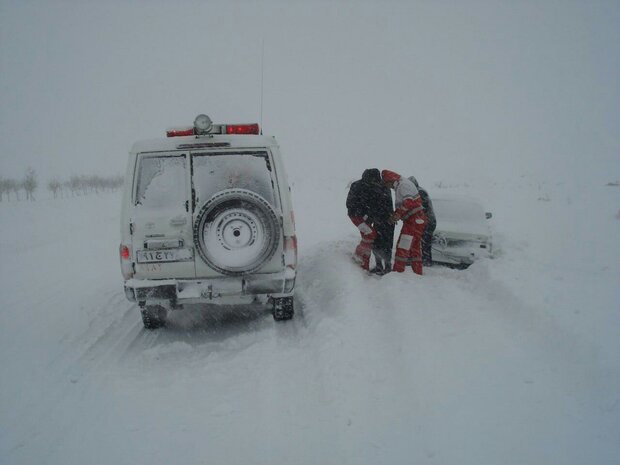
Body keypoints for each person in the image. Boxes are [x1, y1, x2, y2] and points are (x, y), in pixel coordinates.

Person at [346, 169, 394, 273]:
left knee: (369, 239)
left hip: (371, 217)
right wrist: (363, 214)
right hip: (356, 216)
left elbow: (375, 203)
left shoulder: (377, 186)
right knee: (370, 235)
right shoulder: (358, 186)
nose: (375, 183)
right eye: (373, 181)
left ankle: (364, 265)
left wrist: (373, 215)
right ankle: (358, 256)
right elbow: (351, 204)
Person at [382, 169, 426, 275]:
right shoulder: (403, 184)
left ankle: (397, 273)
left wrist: (397, 215)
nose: (389, 188)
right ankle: (417, 273)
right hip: (417, 220)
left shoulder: (403, 185)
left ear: (390, 180)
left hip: (413, 221)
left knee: (402, 247)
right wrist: (396, 213)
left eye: (387, 184)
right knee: (415, 249)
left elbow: (408, 202)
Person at [409, 176, 436, 266]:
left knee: (425, 242)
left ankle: (426, 261)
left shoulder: (420, 192)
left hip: (428, 222)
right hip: (428, 220)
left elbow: (421, 209)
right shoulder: (419, 191)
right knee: (423, 241)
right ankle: (424, 260)